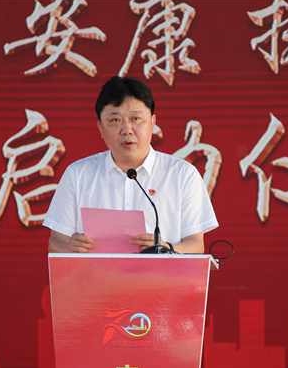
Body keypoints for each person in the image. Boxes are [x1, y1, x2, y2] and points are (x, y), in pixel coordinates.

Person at [43, 76, 218, 253]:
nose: (127, 130)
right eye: (115, 120)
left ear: (152, 122)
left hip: (162, 272)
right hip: (97, 272)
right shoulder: (77, 175)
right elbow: (56, 241)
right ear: (100, 128)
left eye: (136, 118)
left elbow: (196, 245)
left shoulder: (183, 174)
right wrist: (71, 248)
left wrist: (166, 249)